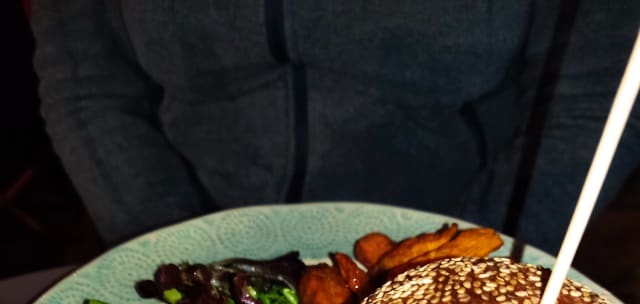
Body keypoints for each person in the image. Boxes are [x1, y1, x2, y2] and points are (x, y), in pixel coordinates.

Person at [30, 1, 640, 255]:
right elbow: (88, 85)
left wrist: (469, 261)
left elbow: (597, 95)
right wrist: (177, 249)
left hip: (455, 228)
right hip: (180, 225)